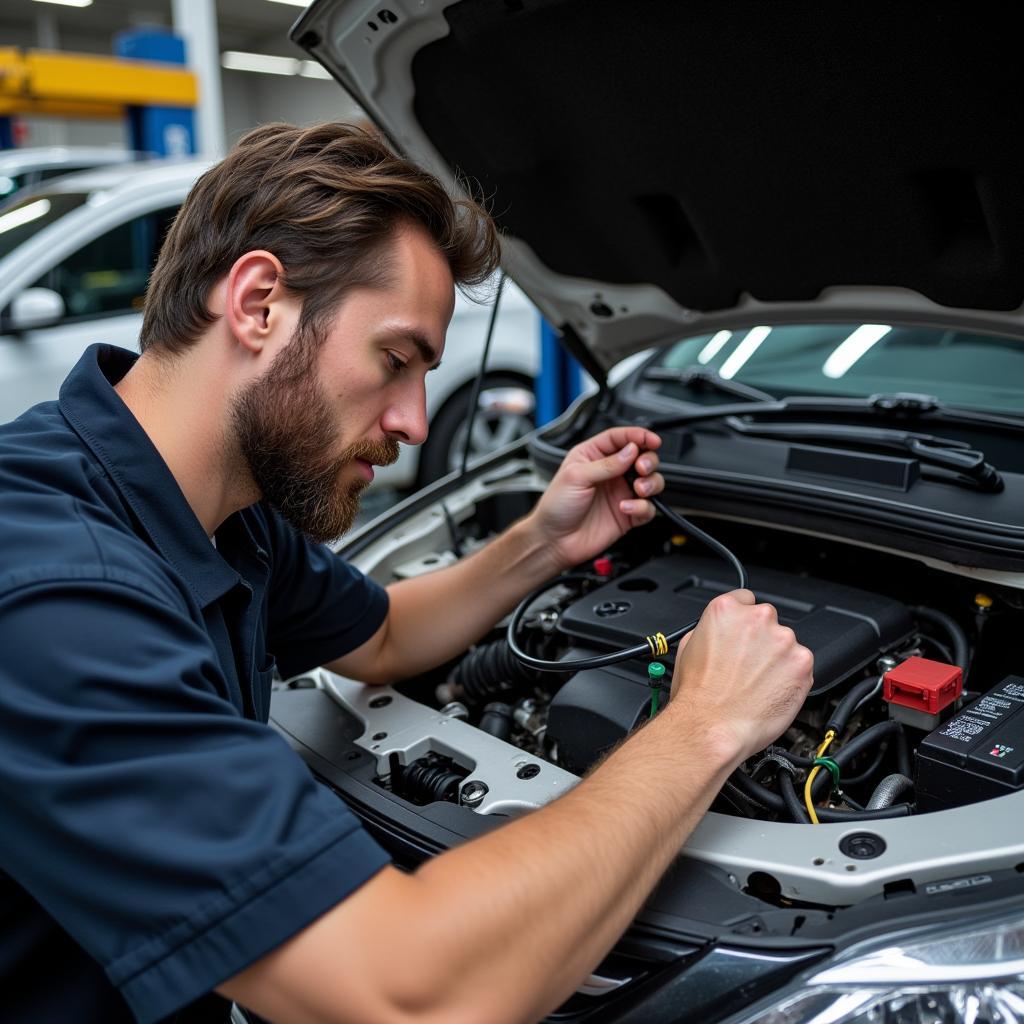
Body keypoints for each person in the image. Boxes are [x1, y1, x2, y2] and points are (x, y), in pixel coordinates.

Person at [0, 122, 813, 1024]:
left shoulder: (224, 508)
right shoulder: (51, 593)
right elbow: (413, 999)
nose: (418, 422)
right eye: (396, 361)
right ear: (259, 302)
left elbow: (382, 636)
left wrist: (543, 543)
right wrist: (704, 726)